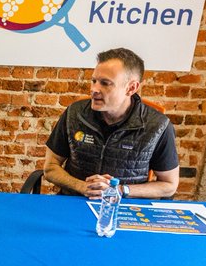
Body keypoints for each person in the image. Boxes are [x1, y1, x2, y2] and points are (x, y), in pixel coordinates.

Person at [43, 48, 179, 198]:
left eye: (105, 83)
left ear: (131, 88)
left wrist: (119, 190)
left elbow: (169, 185)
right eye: (94, 81)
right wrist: (83, 187)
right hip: (75, 201)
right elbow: (50, 167)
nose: (94, 89)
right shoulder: (74, 113)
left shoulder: (158, 126)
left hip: (124, 207)